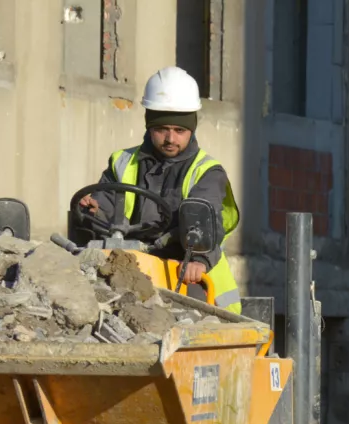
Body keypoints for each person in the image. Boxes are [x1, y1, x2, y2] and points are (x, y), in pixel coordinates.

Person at [78, 66, 242, 313]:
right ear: (148, 125)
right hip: (136, 273)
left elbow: (208, 220)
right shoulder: (122, 162)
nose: (170, 139)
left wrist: (199, 259)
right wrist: (95, 210)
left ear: (192, 129)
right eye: (161, 129)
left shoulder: (207, 172)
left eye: (179, 130)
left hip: (197, 284)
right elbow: (109, 208)